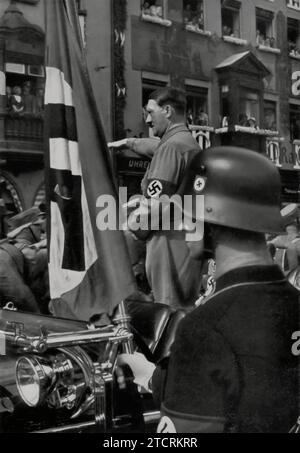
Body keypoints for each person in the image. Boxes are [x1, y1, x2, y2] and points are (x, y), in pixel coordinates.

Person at [120, 147, 299, 433]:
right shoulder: (293, 302)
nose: (184, 222)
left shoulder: (205, 327)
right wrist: (152, 377)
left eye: (189, 212)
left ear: (211, 219)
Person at [110, 87, 202, 308]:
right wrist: (130, 143)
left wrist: (127, 228)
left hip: (169, 243)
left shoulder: (170, 148)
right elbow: (157, 147)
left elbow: (155, 206)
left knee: (169, 312)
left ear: (167, 110)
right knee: (181, 309)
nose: (148, 120)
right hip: (186, 241)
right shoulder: (185, 142)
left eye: (151, 112)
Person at [0, 207, 46, 313]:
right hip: (3, 265)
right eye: (39, 228)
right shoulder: (23, 245)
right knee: (28, 304)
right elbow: (22, 296)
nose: (42, 234)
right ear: (29, 228)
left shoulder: (13, 242)